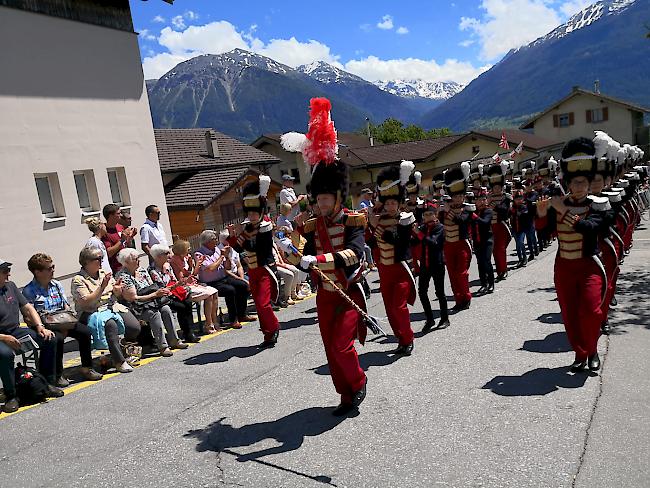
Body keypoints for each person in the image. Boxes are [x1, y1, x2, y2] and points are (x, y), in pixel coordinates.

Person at [283, 97, 367, 416]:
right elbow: (296, 255)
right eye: (317, 198)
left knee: (343, 346)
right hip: (324, 295)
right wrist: (294, 234)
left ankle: (358, 383)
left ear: (337, 197)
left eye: (325, 197)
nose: (320, 202)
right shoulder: (312, 224)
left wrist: (315, 261)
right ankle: (345, 396)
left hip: (347, 292)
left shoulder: (353, 221)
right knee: (330, 351)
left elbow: (353, 255)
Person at [536, 137, 606, 372]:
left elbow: (591, 228)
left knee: (592, 310)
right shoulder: (558, 204)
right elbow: (545, 233)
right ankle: (580, 353)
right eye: (574, 182)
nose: (578, 187)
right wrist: (542, 214)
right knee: (569, 313)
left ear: (589, 184)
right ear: (568, 182)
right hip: (564, 267)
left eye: (583, 183)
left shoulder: (598, 205)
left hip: (589, 266)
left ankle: (593, 348)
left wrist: (562, 210)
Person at [22, 253, 103, 387]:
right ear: (37, 272)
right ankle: (58, 374)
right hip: (44, 325)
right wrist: (47, 327)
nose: (53, 270)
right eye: (49, 268)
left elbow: (65, 305)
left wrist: (67, 323)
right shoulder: (29, 291)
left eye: (53, 267)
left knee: (85, 332)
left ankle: (87, 367)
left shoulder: (56, 285)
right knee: (57, 339)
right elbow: (29, 316)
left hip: (62, 319)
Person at [1, 258, 64, 413]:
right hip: (1, 336)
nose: (8, 274)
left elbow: (28, 307)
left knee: (50, 338)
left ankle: (46, 382)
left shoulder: (11, 286)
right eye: (4, 271)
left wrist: (40, 327)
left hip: (14, 330)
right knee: (5, 354)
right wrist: (4, 338)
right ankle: (11, 396)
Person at [368, 162, 416, 355]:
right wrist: (372, 222)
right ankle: (400, 339)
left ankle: (408, 338)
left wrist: (376, 227)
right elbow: (372, 243)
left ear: (399, 203)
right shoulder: (379, 217)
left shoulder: (406, 218)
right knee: (389, 308)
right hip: (384, 269)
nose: (389, 206)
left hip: (400, 268)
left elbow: (399, 241)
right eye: (386, 202)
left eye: (392, 203)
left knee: (398, 306)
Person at [227, 175, 281, 348]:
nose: (251, 216)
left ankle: (274, 328)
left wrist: (240, 238)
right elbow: (239, 248)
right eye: (249, 213)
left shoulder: (266, 228)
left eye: (254, 213)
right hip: (252, 270)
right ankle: (268, 335)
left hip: (265, 270)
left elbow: (258, 248)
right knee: (259, 305)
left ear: (260, 212)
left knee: (264, 304)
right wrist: (233, 237)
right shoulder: (249, 227)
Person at [71, 247, 142, 373]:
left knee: (134, 326)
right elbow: (86, 302)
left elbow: (116, 294)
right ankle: (119, 361)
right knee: (110, 325)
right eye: (97, 259)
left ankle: (120, 349)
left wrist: (117, 290)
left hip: (111, 306)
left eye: (101, 258)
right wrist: (102, 286)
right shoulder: (78, 280)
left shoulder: (103, 273)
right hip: (92, 311)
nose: (101, 261)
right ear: (86, 261)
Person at [115, 248, 188, 357]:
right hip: (136, 307)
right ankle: (163, 346)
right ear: (126, 262)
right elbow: (133, 298)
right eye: (135, 259)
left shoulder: (142, 270)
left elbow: (152, 286)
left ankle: (174, 340)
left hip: (151, 301)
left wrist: (159, 293)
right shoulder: (123, 276)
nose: (139, 260)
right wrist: (154, 295)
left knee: (166, 309)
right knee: (154, 314)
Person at [196, 230, 254, 329]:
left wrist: (226, 257)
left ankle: (242, 314)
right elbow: (211, 268)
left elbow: (226, 267)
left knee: (242, 285)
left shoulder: (217, 250)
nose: (216, 241)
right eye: (214, 239)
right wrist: (222, 256)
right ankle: (233, 319)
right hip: (211, 282)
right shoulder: (199, 254)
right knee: (230, 290)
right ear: (207, 241)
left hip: (223, 277)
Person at [148, 244, 200, 343]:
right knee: (181, 306)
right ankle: (187, 333)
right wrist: (178, 284)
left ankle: (189, 332)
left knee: (187, 301)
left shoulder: (167, 266)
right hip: (162, 296)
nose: (169, 255)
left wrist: (182, 282)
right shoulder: (152, 271)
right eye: (166, 253)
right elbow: (162, 288)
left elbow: (174, 280)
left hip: (173, 292)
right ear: (158, 256)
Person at [440, 163, 473, 311]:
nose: (459, 198)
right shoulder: (445, 208)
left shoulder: (467, 209)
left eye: (461, 195)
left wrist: (448, 211)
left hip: (461, 244)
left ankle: (466, 297)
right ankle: (458, 299)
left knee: (461, 273)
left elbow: (461, 222)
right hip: (448, 245)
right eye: (456, 196)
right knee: (452, 275)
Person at [413, 201, 449, 332]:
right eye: (425, 214)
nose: (427, 216)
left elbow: (433, 242)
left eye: (430, 214)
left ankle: (445, 318)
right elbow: (414, 241)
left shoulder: (440, 227)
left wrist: (418, 233)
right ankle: (429, 319)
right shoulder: (422, 227)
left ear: (435, 215)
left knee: (440, 293)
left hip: (437, 264)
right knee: (422, 292)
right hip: (424, 265)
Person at [169, 239, 219, 334]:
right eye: (187, 248)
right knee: (208, 294)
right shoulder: (175, 261)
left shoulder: (185, 258)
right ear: (181, 250)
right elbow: (183, 279)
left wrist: (196, 264)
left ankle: (213, 320)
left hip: (192, 283)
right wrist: (193, 266)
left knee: (214, 291)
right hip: (184, 287)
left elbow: (194, 274)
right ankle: (209, 324)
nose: (189, 249)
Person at [486, 162, 512, 281]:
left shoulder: (506, 197)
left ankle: (502, 270)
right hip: (491, 227)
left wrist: (493, 205)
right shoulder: (488, 197)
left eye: (498, 187)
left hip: (502, 226)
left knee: (500, 249)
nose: (496, 189)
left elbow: (504, 211)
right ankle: (501, 269)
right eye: (494, 187)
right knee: (495, 250)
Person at [472, 188, 495, 294]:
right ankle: (483, 284)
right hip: (477, 241)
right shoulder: (473, 212)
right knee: (480, 263)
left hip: (487, 240)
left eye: (483, 199)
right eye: (478, 200)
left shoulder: (488, 211)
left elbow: (485, 222)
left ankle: (491, 283)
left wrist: (474, 216)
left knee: (487, 261)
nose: (481, 202)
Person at [101, 204, 136, 273]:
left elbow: (126, 245)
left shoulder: (120, 227)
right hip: (117, 269)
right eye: (118, 213)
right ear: (111, 216)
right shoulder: (104, 231)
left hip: (128, 266)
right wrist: (122, 239)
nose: (121, 215)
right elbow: (109, 253)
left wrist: (130, 237)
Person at [511, 186, 531, 267]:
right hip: (515, 229)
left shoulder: (524, 207)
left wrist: (515, 212)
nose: (519, 200)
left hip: (522, 229)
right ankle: (520, 259)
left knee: (521, 242)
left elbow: (523, 214)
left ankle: (525, 257)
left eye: (520, 198)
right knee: (517, 244)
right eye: (517, 199)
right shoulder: (512, 208)